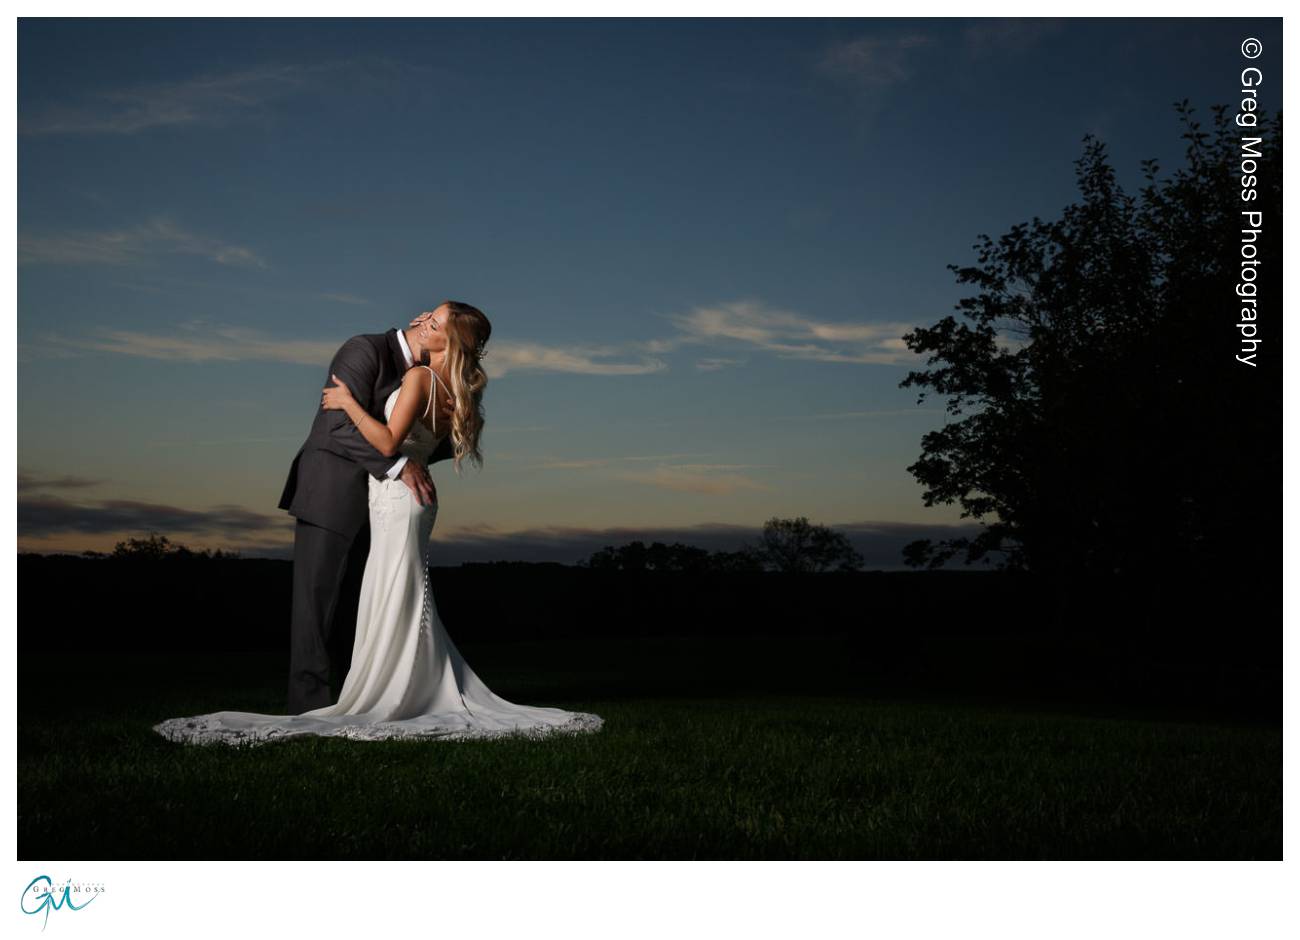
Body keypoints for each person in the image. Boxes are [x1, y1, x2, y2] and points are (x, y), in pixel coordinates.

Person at [153, 302, 604, 745]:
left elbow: (414, 438)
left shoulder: (424, 376)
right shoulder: (365, 349)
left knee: (374, 599)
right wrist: (401, 464)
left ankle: (378, 695)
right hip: (334, 492)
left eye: (436, 318)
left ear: (444, 338)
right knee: (317, 602)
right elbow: (333, 429)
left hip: (388, 501)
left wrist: (411, 457)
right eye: (428, 313)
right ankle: (309, 707)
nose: (424, 317)